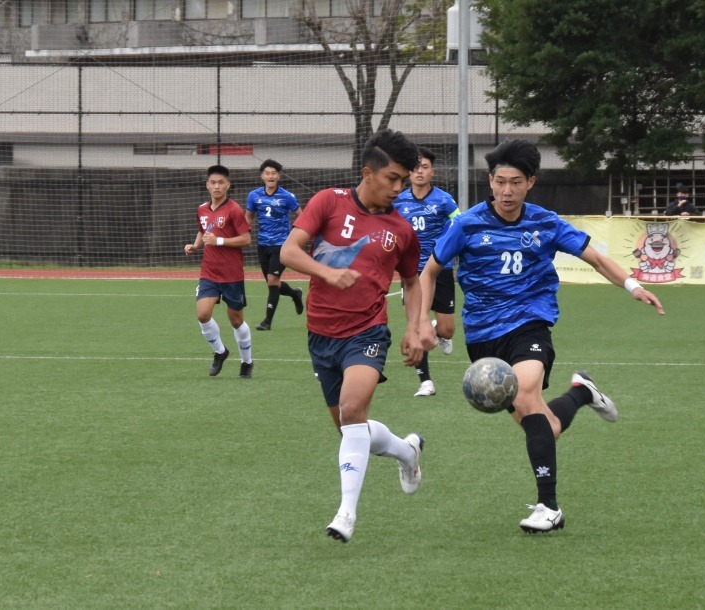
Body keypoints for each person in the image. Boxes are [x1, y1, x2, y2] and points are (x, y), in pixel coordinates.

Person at [418, 139, 665, 533]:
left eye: (516, 182)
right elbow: (429, 271)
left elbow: (597, 259)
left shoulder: (545, 222)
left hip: (530, 325)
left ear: (530, 182)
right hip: (482, 337)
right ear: (490, 181)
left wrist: (633, 286)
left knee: (528, 391)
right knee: (543, 426)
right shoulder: (466, 225)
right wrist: (420, 323)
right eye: (500, 182)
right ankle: (581, 393)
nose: (507, 191)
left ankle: (549, 506)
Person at [279, 129, 427, 543]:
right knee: (349, 425)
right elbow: (289, 252)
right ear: (368, 172)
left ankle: (346, 513)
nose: (400, 188)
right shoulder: (328, 201)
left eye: (405, 180)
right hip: (320, 333)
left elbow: (413, 283)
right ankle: (405, 450)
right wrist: (328, 273)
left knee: (352, 406)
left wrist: (415, 328)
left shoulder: (401, 229)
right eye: (394, 178)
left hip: (368, 331)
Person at [393, 146, 461, 397]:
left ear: (432, 171)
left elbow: (459, 225)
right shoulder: (398, 200)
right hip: (411, 274)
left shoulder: (444, 200)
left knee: (447, 330)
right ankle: (426, 382)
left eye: (425, 167)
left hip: (438, 270)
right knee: (415, 325)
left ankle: (435, 327)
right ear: (409, 172)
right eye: (416, 167)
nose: (419, 171)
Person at [183, 165, 255, 378]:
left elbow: (246, 239)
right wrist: (196, 246)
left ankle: (247, 362)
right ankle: (220, 352)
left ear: (227, 185)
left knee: (236, 320)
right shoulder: (202, 209)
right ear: (207, 185)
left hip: (232, 274)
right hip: (209, 272)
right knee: (203, 314)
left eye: (221, 182)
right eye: (213, 182)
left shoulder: (234, 209)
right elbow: (203, 231)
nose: (216, 186)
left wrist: (219, 241)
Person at [245, 159, 305, 331]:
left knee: (272, 280)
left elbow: (302, 216)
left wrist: (294, 236)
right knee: (274, 283)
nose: (270, 176)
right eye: (267, 173)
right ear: (262, 176)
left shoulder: (287, 196)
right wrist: (245, 230)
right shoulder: (254, 195)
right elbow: (248, 216)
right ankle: (295, 294)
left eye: (273, 173)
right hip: (262, 244)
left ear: (278, 176)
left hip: (281, 245)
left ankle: (267, 322)